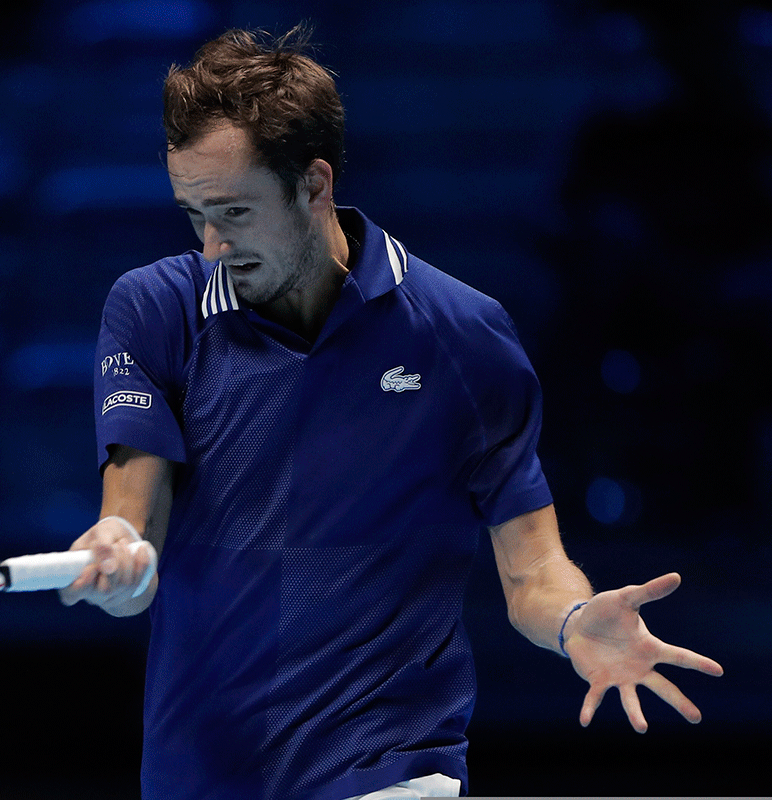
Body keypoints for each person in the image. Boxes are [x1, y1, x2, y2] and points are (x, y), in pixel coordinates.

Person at [58, 26, 723, 800]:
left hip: (392, 769)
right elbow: (134, 528)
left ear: (314, 185)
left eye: (234, 212)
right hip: (200, 770)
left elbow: (533, 566)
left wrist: (574, 617)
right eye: (192, 212)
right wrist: (118, 558)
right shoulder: (154, 309)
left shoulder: (464, 336)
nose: (210, 245)